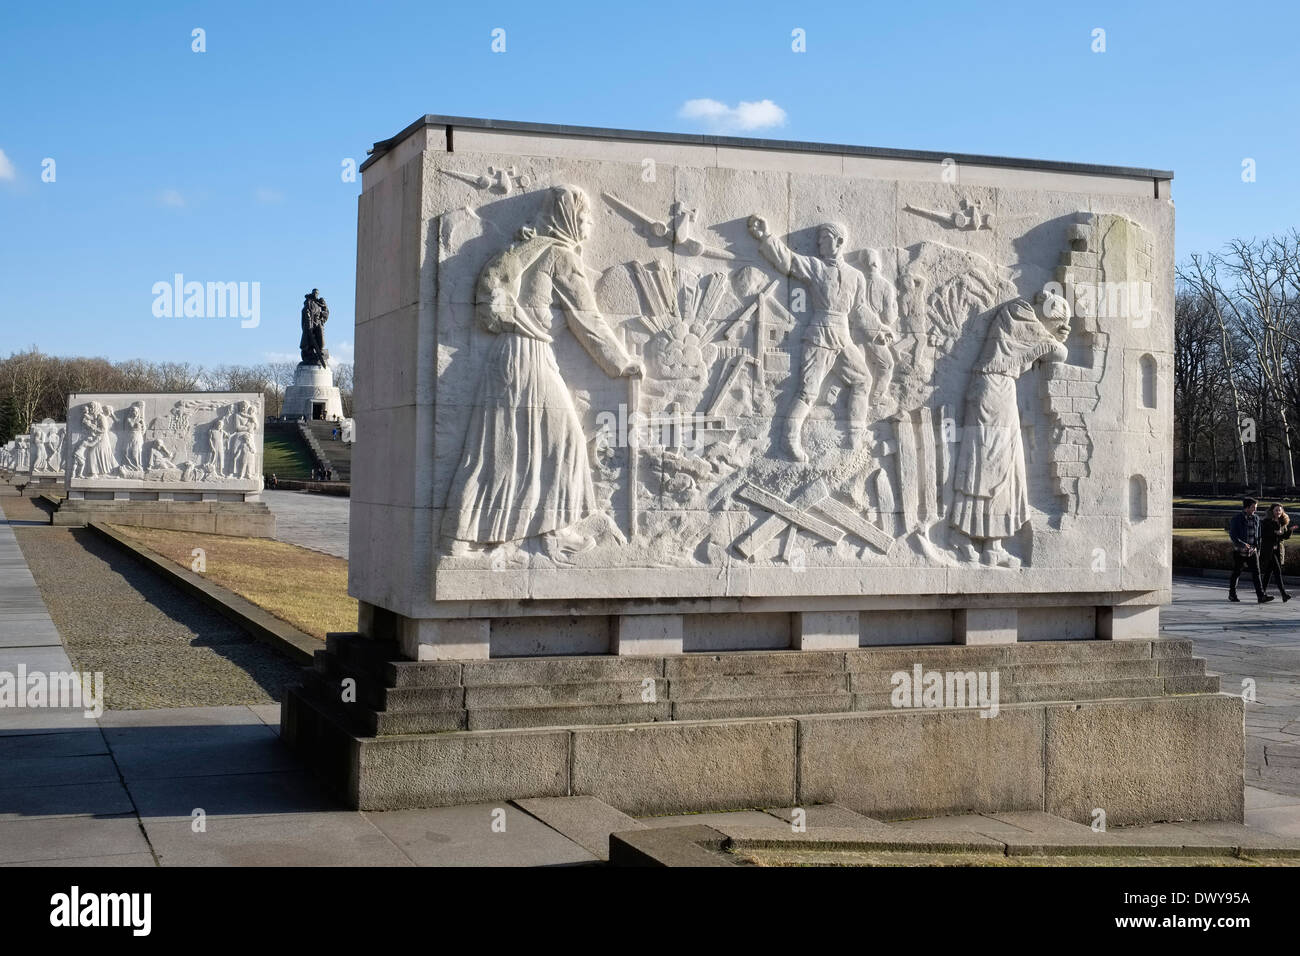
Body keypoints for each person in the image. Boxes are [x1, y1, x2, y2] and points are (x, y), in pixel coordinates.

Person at [441, 184, 642, 560]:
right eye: (584, 218)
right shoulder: (560, 256)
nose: (589, 225)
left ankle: (465, 535)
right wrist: (620, 363)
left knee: (498, 447)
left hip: (505, 356)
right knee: (564, 441)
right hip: (530, 356)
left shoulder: (528, 248)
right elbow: (587, 320)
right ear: (568, 218)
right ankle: (549, 529)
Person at [747, 216, 893, 461]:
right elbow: (790, 261)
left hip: (843, 337)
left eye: (823, 239)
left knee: (863, 380)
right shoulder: (816, 267)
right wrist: (766, 237)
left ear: (839, 241)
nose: (819, 244)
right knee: (808, 392)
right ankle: (789, 440)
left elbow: (859, 310)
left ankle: (855, 435)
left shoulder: (856, 277)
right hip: (819, 336)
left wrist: (879, 330)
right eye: (818, 240)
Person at [1228, 497, 1273, 603]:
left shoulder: (1256, 518)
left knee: (1257, 573)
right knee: (1237, 573)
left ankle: (1261, 596)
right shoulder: (1237, 518)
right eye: (1253, 507)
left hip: (1253, 551)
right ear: (1246, 507)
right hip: (1240, 551)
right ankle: (1232, 594)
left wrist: (1257, 548)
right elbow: (1233, 535)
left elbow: (1258, 535)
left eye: (1255, 507)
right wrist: (1242, 544)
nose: (1255, 510)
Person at [1260, 503, 1293, 601]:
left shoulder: (1283, 522)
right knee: (1277, 571)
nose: (1278, 512)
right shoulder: (1266, 521)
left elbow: (1284, 537)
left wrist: (1290, 530)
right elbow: (1263, 534)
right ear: (1271, 511)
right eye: (1276, 510)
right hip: (1268, 550)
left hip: (1278, 550)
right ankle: (1283, 594)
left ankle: (1261, 594)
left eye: (1280, 510)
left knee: (1268, 573)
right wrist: (1274, 533)